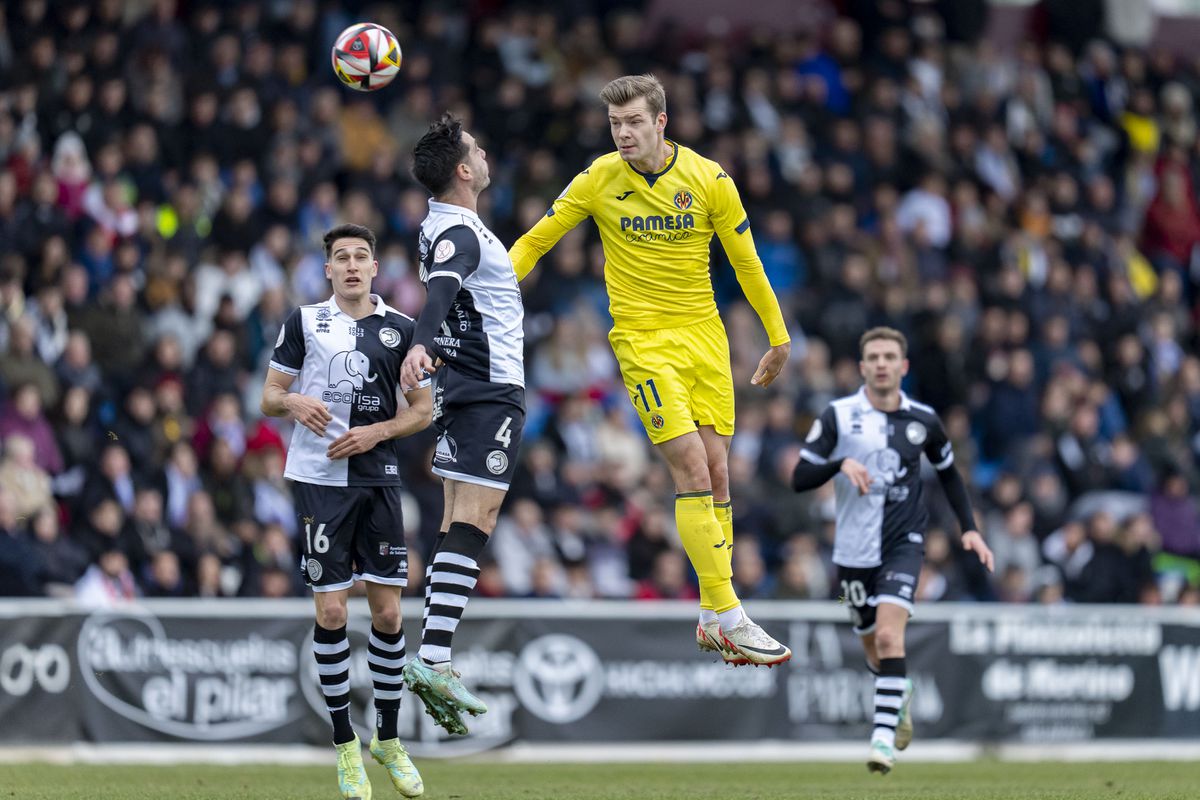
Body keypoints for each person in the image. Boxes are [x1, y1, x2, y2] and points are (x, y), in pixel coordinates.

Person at [508, 74, 792, 666]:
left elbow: (746, 262)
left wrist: (777, 335)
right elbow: (536, 242)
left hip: (706, 341)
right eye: (615, 125)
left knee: (718, 474)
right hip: (642, 343)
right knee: (689, 465)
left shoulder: (710, 180)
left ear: (662, 123)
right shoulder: (598, 179)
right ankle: (730, 611)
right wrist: (488, 288)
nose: (623, 134)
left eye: (634, 122)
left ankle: (712, 618)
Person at [261, 223, 430, 799]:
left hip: (378, 477)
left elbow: (423, 410)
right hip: (317, 480)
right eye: (341, 257)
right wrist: (292, 399)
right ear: (328, 269)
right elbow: (267, 397)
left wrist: (376, 432)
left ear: (376, 268)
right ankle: (345, 746)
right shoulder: (304, 322)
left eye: (361, 256)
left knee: (387, 615)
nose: (353, 265)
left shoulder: (404, 330)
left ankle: (388, 737)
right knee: (332, 613)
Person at [790, 327, 994, 775]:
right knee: (871, 648)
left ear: (903, 367)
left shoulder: (924, 421)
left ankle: (882, 741)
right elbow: (799, 476)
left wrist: (970, 529)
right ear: (862, 367)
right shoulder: (838, 416)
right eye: (873, 357)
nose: (881, 364)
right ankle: (898, 699)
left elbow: (949, 475)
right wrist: (838, 463)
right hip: (850, 554)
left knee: (888, 636)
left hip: (904, 545)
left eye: (889, 357)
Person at [399, 114, 526, 735]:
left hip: (463, 388)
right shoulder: (460, 233)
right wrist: (421, 345)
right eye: (476, 148)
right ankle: (434, 657)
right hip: (488, 392)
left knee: (456, 522)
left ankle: (433, 655)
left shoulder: (438, 227)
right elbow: (443, 291)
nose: (483, 152)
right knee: (476, 520)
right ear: (463, 170)